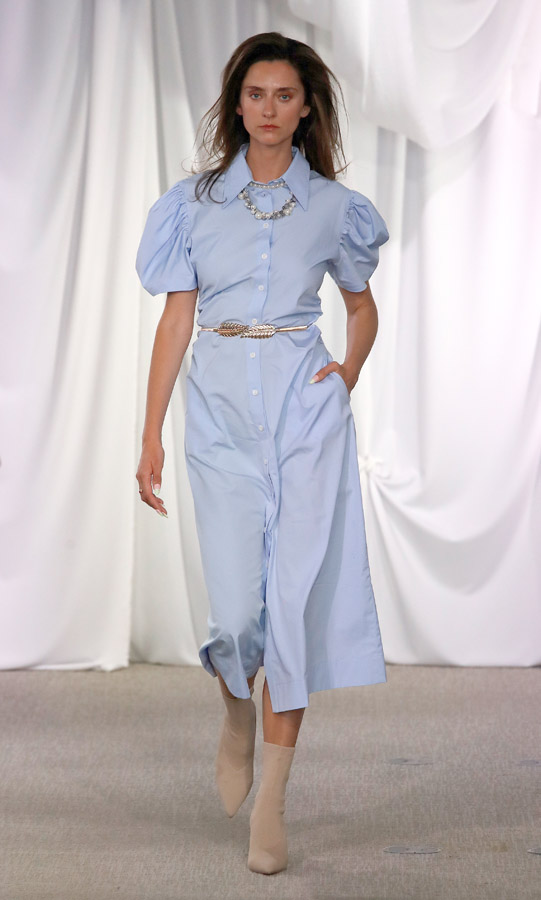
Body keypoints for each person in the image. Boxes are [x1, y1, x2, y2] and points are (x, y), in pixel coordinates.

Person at [135, 31, 389, 876]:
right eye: (255, 94)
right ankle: (236, 709)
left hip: (304, 413)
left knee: (291, 608)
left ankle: (272, 803)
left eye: (285, 95)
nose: (269, 109)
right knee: (237, 617)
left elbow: (360, 306)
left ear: (305, 107)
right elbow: (176, 318)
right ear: (236, 104)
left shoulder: (334, 207)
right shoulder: (194, 203)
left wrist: (344, 374)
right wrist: (149, 433)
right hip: (217, 414)